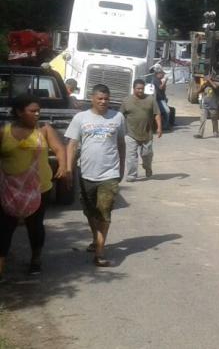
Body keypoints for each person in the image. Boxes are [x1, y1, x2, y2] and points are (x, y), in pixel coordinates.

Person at [0, 95, 69, 279]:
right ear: (19, 112)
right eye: (33, 111)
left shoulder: (44, 130)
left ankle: (36, 259)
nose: (37, 114)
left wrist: (63, 166)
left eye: (39, 110)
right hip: (10, 190)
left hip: (39, 188)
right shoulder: (4, 133)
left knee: (35, 226)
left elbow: (59, 149)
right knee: (5, 228)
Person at [65, 84, 126, 267]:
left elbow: (121, 144)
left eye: (106, 99)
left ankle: (99, 252)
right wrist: (69, 169)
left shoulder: (118, 117)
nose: (103, 102)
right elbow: (72, 146)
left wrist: (122, 167)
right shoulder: (80, 118)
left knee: (104, 213)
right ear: (92, 98)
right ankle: (95, 238)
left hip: (110, 173)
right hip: (86, 173)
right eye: (100, 98)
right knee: (90, 211)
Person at [119, 79, 162, 181]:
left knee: (147, 155)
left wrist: (159, 128)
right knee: (131, 156)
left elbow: (157, 114)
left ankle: (147, 168)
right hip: (131, 133)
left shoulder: (150, 99)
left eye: (142, 89)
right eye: (138, 89)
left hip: (147, 133)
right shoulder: (126, 101)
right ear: (133, 89)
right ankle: (131, 175)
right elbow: (120, 116)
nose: (140, 91)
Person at [195, 74, 219, 139]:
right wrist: (202, 86)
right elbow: (197, 92)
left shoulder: (214, 84)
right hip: (205, 106)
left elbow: (216, 87)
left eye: (206, 78)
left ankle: (215, 132)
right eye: (206, 78)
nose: (205, 79)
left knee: (214, 120)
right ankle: (200, 133)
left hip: (213, 106)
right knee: (202, 119)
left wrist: (209, 80)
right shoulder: (205, 86)